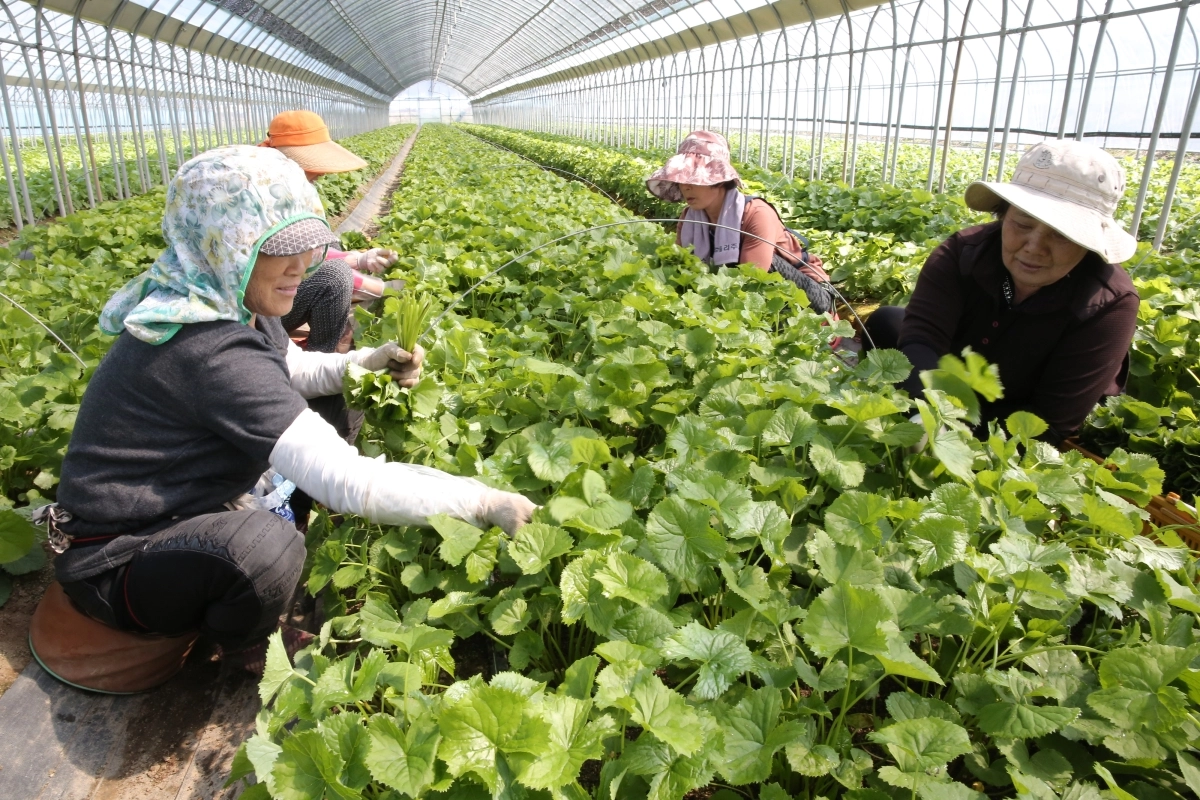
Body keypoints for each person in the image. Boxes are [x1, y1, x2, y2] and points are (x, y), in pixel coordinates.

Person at [38, 146, 536, 678]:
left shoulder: (230, 298)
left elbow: (290, 369)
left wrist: (368, 364)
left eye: (305, 244)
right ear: (228, 246)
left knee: (341, 399)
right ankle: (244, 644)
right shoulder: (206, 348)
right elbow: (350, 481)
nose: (300, 266)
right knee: (265, 551)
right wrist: (483, 502)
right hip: (118, 559)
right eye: (277, 249)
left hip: (192, 506)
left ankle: (269, 530)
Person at [862, 140, 1140, 442]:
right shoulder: (962, 253)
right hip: (955, 385)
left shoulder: (1109, 303)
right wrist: (927, 413)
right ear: (1003, 215)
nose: (1034, 247)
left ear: (1088, 242)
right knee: (885, 323)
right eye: (1023, 224)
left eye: (1060, 235)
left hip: (1028, 407)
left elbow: (1053, 419)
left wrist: (956, 438)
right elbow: (922, 339)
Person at [646, 130, 836, 315]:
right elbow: (683, 268)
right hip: (754, 297)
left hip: (812, 294)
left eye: (694, 179)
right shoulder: (689, 217)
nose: (685, 187)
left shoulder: (756, 213)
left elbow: (752, 280)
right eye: (682, 178)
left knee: (762, 265)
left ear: (719, 180)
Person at [261, 109, 398, 354]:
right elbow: (304, 260)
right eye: (312, 164)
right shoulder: (266, 197)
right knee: (335, 276)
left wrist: (359, 259)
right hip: (257, 312)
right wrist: (373, 284)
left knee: (331, 245)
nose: (321, 172)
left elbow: (316, 250)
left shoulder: (287, 185)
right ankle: (321, 354)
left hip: (272, 295)